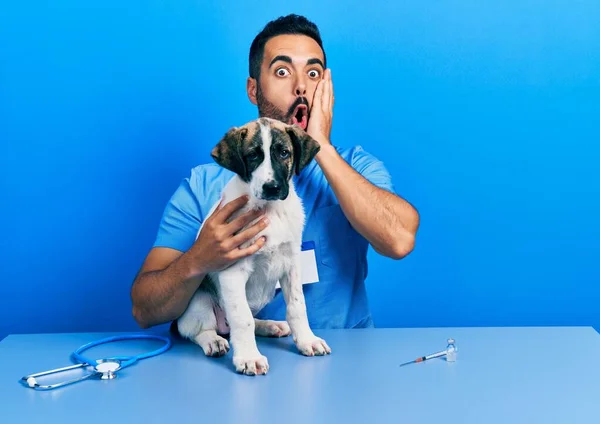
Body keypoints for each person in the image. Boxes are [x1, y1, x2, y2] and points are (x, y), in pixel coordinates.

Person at [130, 14, 420, 331]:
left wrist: (319, 144)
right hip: (238, 362)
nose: (300, 86)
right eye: (282, 71)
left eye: (313, 73)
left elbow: (399, 240)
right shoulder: (203, 186)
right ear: (253, 90)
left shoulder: (354, 167)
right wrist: (199, 259)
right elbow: (145, 309)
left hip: (342, 357)